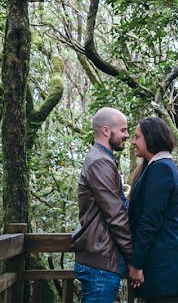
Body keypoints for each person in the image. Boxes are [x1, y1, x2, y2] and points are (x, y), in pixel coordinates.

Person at [71, 107, 137, 303]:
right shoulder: (100, 162)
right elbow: (115, 216)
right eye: (123, 130)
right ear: (106, 131)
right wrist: (134, 258)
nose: (127, 135)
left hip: (100, 261)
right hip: (99, 264)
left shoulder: (103, 159)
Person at [127, 116, 178, 302]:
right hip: (161, 264)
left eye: (137, 137)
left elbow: (150, 220)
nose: (133, 141)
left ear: (152, 138)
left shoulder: (161, 168)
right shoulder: (155, 167)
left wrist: (137, 264)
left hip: (164, 265)